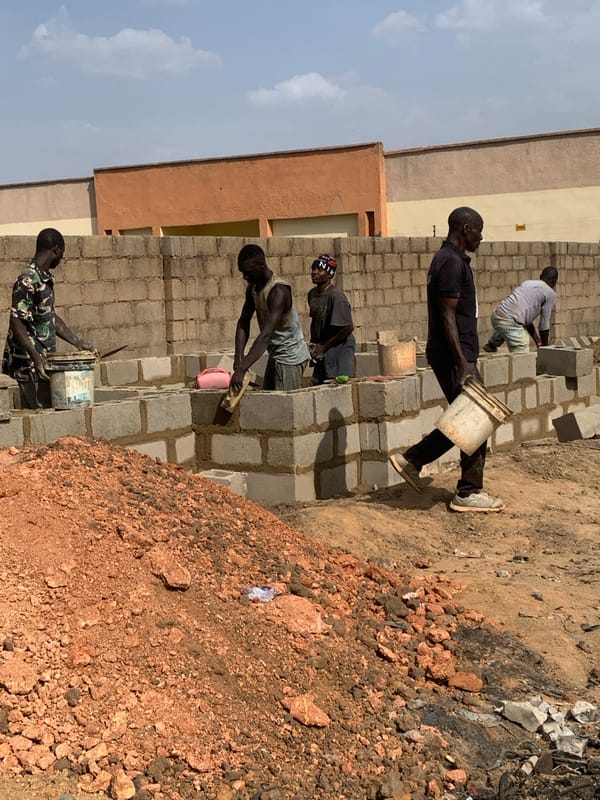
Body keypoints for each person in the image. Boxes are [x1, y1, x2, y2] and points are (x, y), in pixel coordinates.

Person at [389, 207, 504, 512]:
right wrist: (463, 363)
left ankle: (412, 460)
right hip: (455, 354)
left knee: (464, 417)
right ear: (466, 229)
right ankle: (468, 492)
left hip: (454, 353)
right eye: (479, 230)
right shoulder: (451, 262)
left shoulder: (448, 259)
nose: (481, 237)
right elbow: (447, 315)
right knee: (475, 419)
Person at [2, 228, 95, 409]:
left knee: (47, 413)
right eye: (62, 253)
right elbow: (16, 321)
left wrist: (77, 342)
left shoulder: (44, 279)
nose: (61, 258)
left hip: (41, 363)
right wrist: (35, 357)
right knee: (36, 420)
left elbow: (49, 316)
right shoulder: (28, 280)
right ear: (56, 250)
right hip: (26, 366)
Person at [231, 244, 310, 391]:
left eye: (248, 272)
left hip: (289, 357)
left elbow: (266, 334)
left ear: (261, 264)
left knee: (284, 408)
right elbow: (243, 321)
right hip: (275, 355)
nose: (245, 277)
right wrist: (238, 357)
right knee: (271, 403)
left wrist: (242, 369)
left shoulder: (278, 291)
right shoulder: (253, 289)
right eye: (242, 273)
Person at [483, 266, 558, 353]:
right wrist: (545, 350)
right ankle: (520, 361)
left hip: (496, 315)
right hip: (509, 321)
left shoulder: (528, 283)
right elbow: (543, 326)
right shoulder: (550, 294)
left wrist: (538, 341)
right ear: (554, 281)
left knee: (510, 324)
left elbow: (526, 322)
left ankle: (492, 344)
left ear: (540, 276)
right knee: (522, 346)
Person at [307, 254, 355, 385]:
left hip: (339, 345)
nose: (314, 272)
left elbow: (348, 328)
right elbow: (315, 321)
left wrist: (324, 347)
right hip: (323, 345)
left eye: (320, 269)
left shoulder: (337, 297)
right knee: (317, 383)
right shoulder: (312, 295)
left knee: (336, 384)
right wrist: (314, 347)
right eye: (313, 269)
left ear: (330, 274)